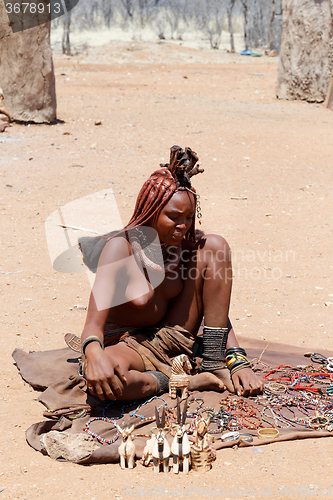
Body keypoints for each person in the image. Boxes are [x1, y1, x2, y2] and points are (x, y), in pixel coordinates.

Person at [79, 145, 263, 401]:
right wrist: (95, 355)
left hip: (174, 338)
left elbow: (216, 306)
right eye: (173, 217)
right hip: (127, 346)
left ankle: (212, 362)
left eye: (188, 217)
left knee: (214, 245)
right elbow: (92, 325)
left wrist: (237, 360)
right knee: (110, 382)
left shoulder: (185, 247)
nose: (182, 226)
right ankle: (175, 380)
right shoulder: (119, 249)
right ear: (153, 210)